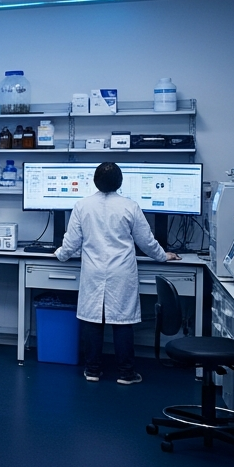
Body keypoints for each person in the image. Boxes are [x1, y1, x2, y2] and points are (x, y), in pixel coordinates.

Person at [55, 163, 179, 384]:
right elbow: (146, 241)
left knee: (92, 319)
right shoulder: (129, 206)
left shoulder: (82, 206)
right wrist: (163, 256)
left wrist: (60, 255)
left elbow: (71, 242)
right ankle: (126, 373)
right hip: (121, 271)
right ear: (120, 182)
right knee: (123, 322)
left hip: (93, 271)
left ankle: (92, 371)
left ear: (95, 181)